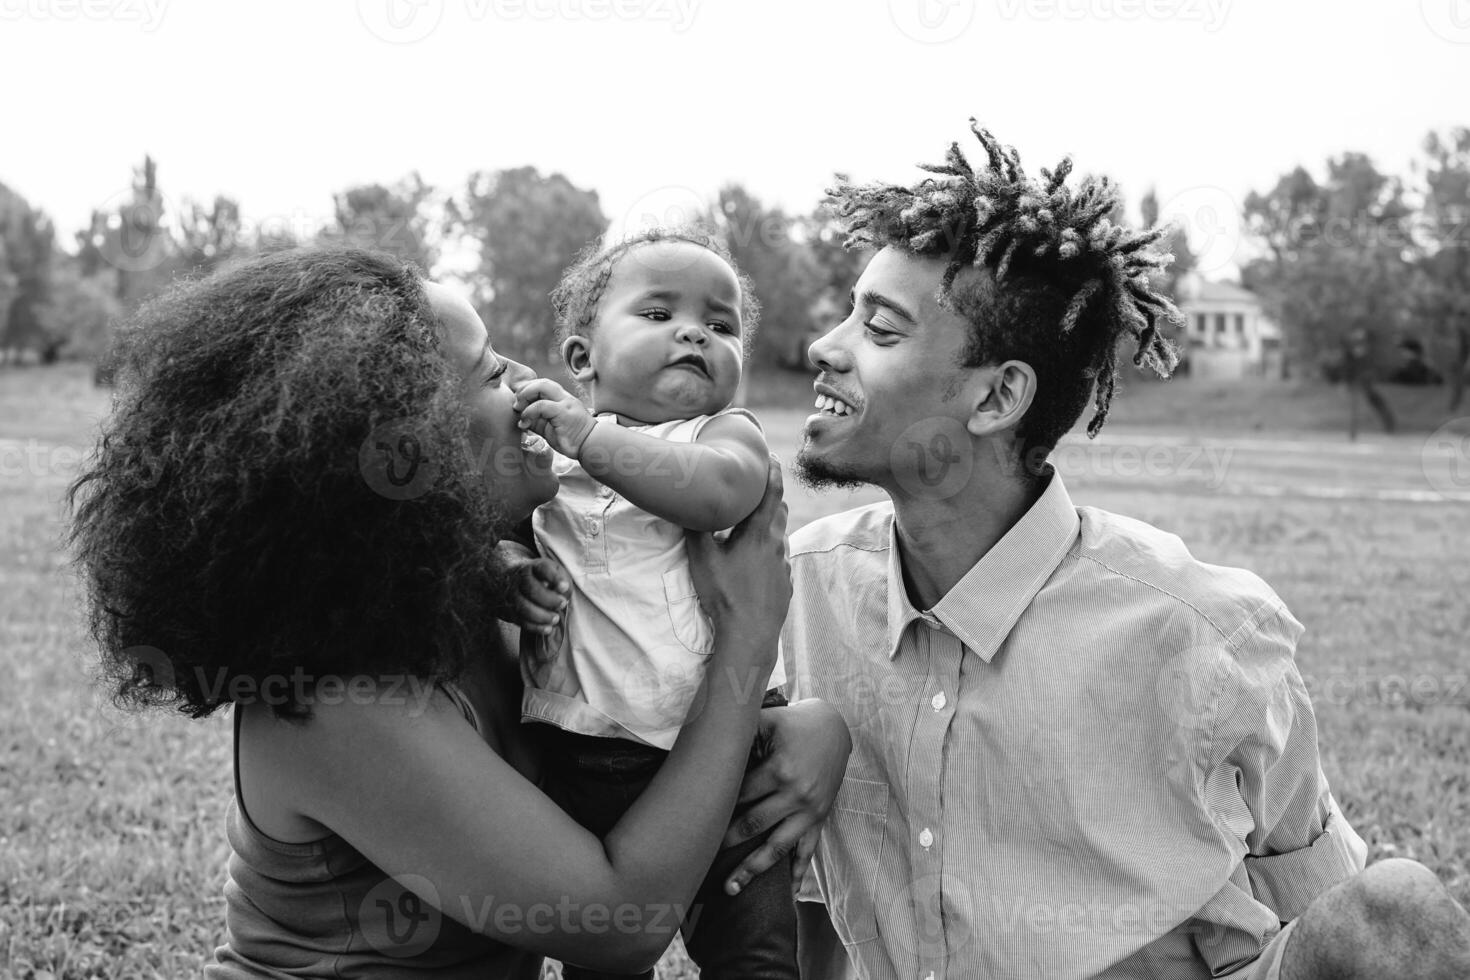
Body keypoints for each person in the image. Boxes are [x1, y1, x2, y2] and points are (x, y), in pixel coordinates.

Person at [783, 122, 1470, 980]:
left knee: (1394, 912)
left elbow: (1316, 896)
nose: (825, 347)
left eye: (879, 330)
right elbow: (798, 882)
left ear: (998, 397)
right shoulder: (803, 589)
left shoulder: (1206, 629)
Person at [65, 246, 850, 978]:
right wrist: (745, 646)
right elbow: (620, 924)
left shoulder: (495, 581)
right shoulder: (341, 703)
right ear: (411, 451)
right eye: (487, 369)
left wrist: (815, 730)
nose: (525, 376)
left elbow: (643, 717)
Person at [501, 226, 798, 979]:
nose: (696, 331)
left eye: (721, 324)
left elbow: (720, 492)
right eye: (658, 314)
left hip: (729, 757)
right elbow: (495, 532)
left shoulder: (722, 434)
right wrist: (507, 571)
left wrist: (591, 437)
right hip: (584, 754)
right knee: (602, 956)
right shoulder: (546, 462)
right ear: (582, 359)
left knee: (755, 951)